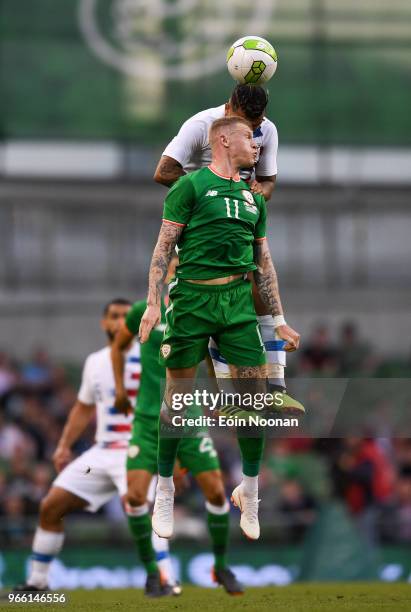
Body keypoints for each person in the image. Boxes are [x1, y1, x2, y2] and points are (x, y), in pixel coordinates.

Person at [140, 116, 300, 542]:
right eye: (250, 137)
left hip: (236, 305)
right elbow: (163, 247)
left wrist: (280, 320)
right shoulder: (189, 187)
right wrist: (154, 303)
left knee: (255, 402)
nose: (258, 145)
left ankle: (249, 491)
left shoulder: (254, 200)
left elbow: (264, 264)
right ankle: (166, 490)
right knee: (177, 402)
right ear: (224, 140)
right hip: (191, 301)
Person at [14, 299, 172, 597]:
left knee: (145, 510)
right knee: (51, 506)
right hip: (102, 451)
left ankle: (164, 577)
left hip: (138, 446)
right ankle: (37, 583)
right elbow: (83, 408)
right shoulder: (96, 361)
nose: (119, 321)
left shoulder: (151, 352)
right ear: (104, 323)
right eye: (114, 316)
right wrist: (63, 446)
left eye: (126, 316)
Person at [154, 84, 299, 397]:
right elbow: (164, 171)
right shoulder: (201, 125)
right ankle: (215, 388)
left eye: (257, 126)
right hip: (200, 225)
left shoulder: (266, 131)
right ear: (231, 109)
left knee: (257, 275)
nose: (254, 132)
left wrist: (256, 194)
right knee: (207, 298)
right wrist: (209, 194)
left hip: (240, 217)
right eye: (248, 125)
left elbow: (269, 182)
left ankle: (275, 379)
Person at [111, 256, 244, 595]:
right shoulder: (144, 310)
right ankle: (154, 575)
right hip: (147, 418)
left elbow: (214, 359)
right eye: (176, 265)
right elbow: (118, 346)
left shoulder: (203, 311)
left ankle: (220, 566)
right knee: (136, 496)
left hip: (187, 414)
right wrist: (120, 391)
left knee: (216, 490)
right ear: (166, 272)